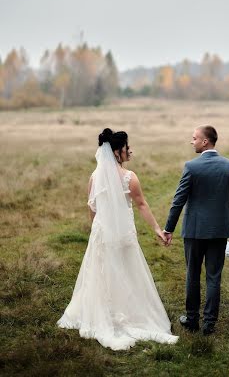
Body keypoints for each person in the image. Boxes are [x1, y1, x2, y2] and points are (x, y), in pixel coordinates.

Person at [57, 128, 178, 350]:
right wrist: (157, 229)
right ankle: (126, 312)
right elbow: (141, 204)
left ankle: (106, 311)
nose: (130, 150)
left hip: (102, 233)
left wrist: (96, 229)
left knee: (101, 273)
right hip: (123, 233)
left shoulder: (94, 177)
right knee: (127, 271)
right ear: (116, 152)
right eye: (126, 147)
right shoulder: (129, 177)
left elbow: (92, 208)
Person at [164, 125, 229, 335]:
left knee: (193, 274)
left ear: (205, 141)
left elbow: (178, 200)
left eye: (195, 138)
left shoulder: (191, 167)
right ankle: (209, 324)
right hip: (219, 231)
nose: (192, 141)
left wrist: (168, 228)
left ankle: (191, 319)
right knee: (214, 276)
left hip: (194, 230)